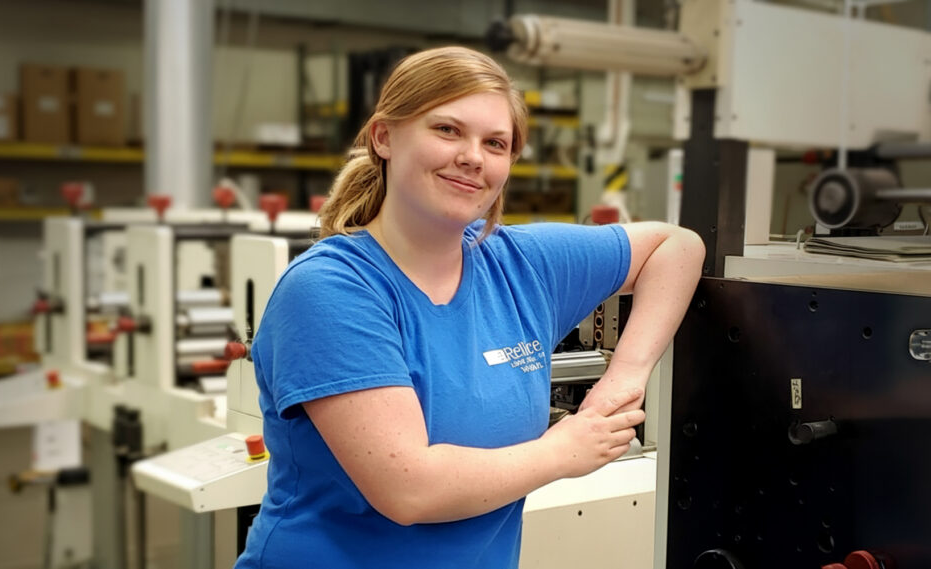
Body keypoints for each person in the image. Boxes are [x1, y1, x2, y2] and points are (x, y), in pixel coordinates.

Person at [233, 46, 705, 569]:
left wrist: (624, 380)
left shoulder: (524, 265)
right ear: (384, 137)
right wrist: (562, 452)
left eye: (495, 143)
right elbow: (409, 490)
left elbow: (677, 247)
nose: (473, 157)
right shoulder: (332, 288)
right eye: (447, 130)